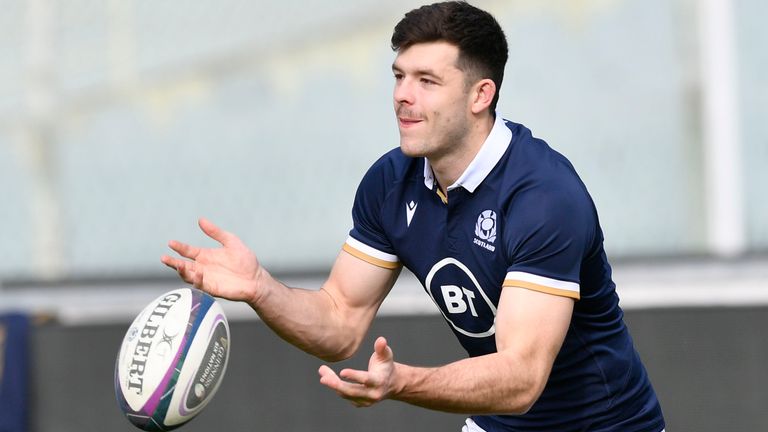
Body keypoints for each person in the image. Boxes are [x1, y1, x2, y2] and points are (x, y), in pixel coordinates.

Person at [161, 2, 665, 431]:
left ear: (480, 95)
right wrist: (260, 289)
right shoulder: (392, 181)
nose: (403, 95)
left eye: (427, 81)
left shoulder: (544, 197)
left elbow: (522, 378)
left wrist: (402, 382)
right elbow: (338, 321)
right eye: (400, 77)